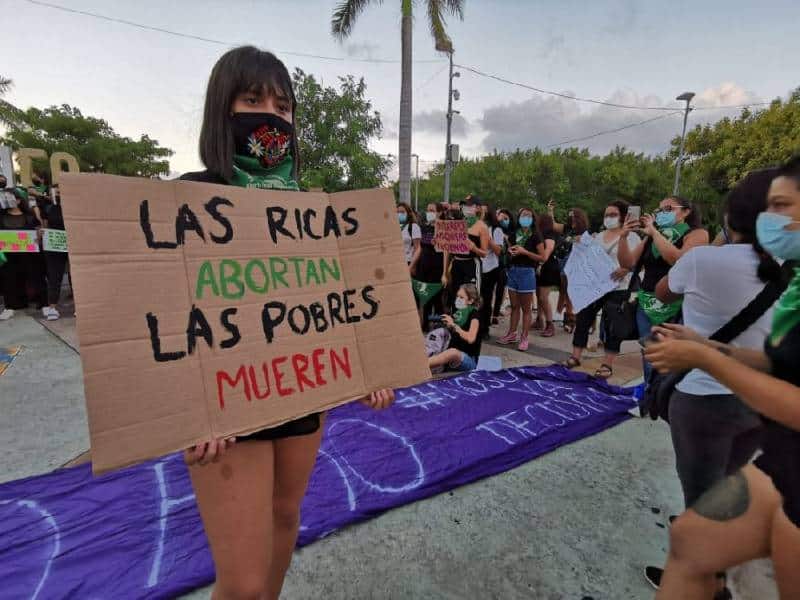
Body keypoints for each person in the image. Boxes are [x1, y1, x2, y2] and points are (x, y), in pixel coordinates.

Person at [179, 46, 396, 600]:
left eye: (283, 105)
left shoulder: (314, 210)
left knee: (284, 520)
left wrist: (371, 365)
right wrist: (187, 411)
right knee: (243, 583)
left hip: (299, 393)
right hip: (226, 409)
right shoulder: (190, 197)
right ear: (222, 110)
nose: (272, 115)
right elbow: (164, 320)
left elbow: (340, 303)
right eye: (252, 99)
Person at [644, 156, 800, 600]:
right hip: (760, 404)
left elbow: (662, 292)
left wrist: (701, 352)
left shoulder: (705, 261)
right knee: (729, 480)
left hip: (703, 399)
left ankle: (709, 583)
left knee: (699, 497)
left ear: (732, 216)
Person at [618, 196, 709, 382]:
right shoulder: (652, 235)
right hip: (647, 304)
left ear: (686, 211)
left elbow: (680, 260)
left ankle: (668, 397)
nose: (662, 214)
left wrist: (654, 233)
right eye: (659, 210)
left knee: (672, 359)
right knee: (650, 355)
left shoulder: (697, 234)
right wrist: (623, 236)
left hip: (678, 306)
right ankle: (651, 396)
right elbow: (627, 263)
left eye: (668, 209)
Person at [562, 201, 642, 378]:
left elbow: (636, 261)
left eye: (613, 214)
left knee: (613, 324)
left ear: (622, 216)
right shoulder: (598, 237)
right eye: (607, 214)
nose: (609, 218)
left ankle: (607, 363)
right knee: (583, 318)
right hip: (595, 287)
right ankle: (576, 356)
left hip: (618, 287)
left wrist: (626, 269)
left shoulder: (631, 237)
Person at [497, 207, 546, 351]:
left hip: (527, 272)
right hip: (513, 271)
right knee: (514, 306)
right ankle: (511, 334)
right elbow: (509, 252)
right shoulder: (513, 234)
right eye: (523, 215)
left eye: (529, 215)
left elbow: (542, 257)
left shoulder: (536, 235)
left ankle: (524, 337)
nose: (526, 218)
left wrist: (525, 252)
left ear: (532, 219)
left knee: (526, 308)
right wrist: (511, 252)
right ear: (518, 218)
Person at [0, 187, 45, 320]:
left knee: (36, 277)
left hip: (29, 255)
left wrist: (39, 234)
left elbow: (38, 230)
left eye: (8, 197)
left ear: (18, 200)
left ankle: (43, 304)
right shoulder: (1, 217)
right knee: (8, 280)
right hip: (8, 255)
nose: (5, 200)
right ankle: (9, 307)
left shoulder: (30, 216)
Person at [443, 194, 490, 310]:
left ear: (478, 208)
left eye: (470, 205)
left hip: (472, 264)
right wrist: (444, 272)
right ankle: (456, 325)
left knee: (471, 296)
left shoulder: (482, 227)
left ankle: (472, 325)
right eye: (464, 205)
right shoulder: (457, 224)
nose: (466, 208)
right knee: (456, 296)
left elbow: (484, 253)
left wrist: (474, 248)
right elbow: (447, 250)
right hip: (456, 264)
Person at [549, 203, 589, 333]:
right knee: (565, 290)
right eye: (570, 216)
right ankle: (568, 317)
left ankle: (572, 319)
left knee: (572, 292)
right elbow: (553, 225)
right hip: (563, 262)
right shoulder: (566, 228)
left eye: (574, 216)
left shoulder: (584, 233)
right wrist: (550, 210)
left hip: (576, 264)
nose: (571, 218)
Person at [428, 283, 482, 373]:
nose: (458, 299)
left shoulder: (475, 316)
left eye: (461, 297)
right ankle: (428, 359)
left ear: (470, 300)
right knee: (439, 333)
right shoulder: (459, 313)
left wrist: (454, 325)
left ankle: (421, 365)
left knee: (452, 352)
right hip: (450, 356)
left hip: (467, 359)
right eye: (457, 296)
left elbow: (471, 338)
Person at [413, 202, 447, 330]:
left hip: (437, 267)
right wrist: (413, 265)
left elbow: (445, 251)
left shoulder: (444, 229)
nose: (429, 213)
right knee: (424, 296)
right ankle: (425, 324)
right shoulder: (424, 227)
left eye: (432, 210)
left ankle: (440, 326)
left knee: (437, 297)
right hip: (424, 266)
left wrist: (445, 272)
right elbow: (420, 248)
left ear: (439, 212)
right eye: (428, 210)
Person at [42, 187, 68, 320]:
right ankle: (52, 307)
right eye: (56, 192)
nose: (58, 194)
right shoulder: (48, 208)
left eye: (61, 191)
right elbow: (44, 225)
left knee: (76, 277)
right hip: (54, 247)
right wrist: (42, 232)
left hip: (72, 246)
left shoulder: (75, 207)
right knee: (54, 277)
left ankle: (79, 307)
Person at [479, 205, 505, 338]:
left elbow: (499, 251)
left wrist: (487, 238)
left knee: (486, 299)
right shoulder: (474, 226)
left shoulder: (496, 229)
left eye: (482, 210)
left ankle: (484, 328)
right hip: (477, 267)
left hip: (490, 268)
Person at [535, 214, 561, 338]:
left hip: (547, 267)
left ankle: (550, 324)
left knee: (543, 297)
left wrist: (540, 263)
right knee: (539, 296)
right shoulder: (542, 233)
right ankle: (539, 320)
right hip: (544, 266)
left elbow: (549, 248)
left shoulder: (549, 233)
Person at [492, 209, 514, 325]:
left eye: (506, 219)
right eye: (502, 217)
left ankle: (495, 314)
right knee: (489, 290)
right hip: (491, 264)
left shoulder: (511, 233)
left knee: (500, 290)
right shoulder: (493, 229)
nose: (503, 220)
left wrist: (507, 239)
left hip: (503, 265)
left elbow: (513, 247)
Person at [398, 201, 421, 267]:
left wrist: (412, 266)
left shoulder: (414, 227)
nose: (399, 214)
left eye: (402, 212)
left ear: (408, 213)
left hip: (408, 262)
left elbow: (417, 249)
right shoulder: (394, 227)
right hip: (396, 261)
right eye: (397, 212)